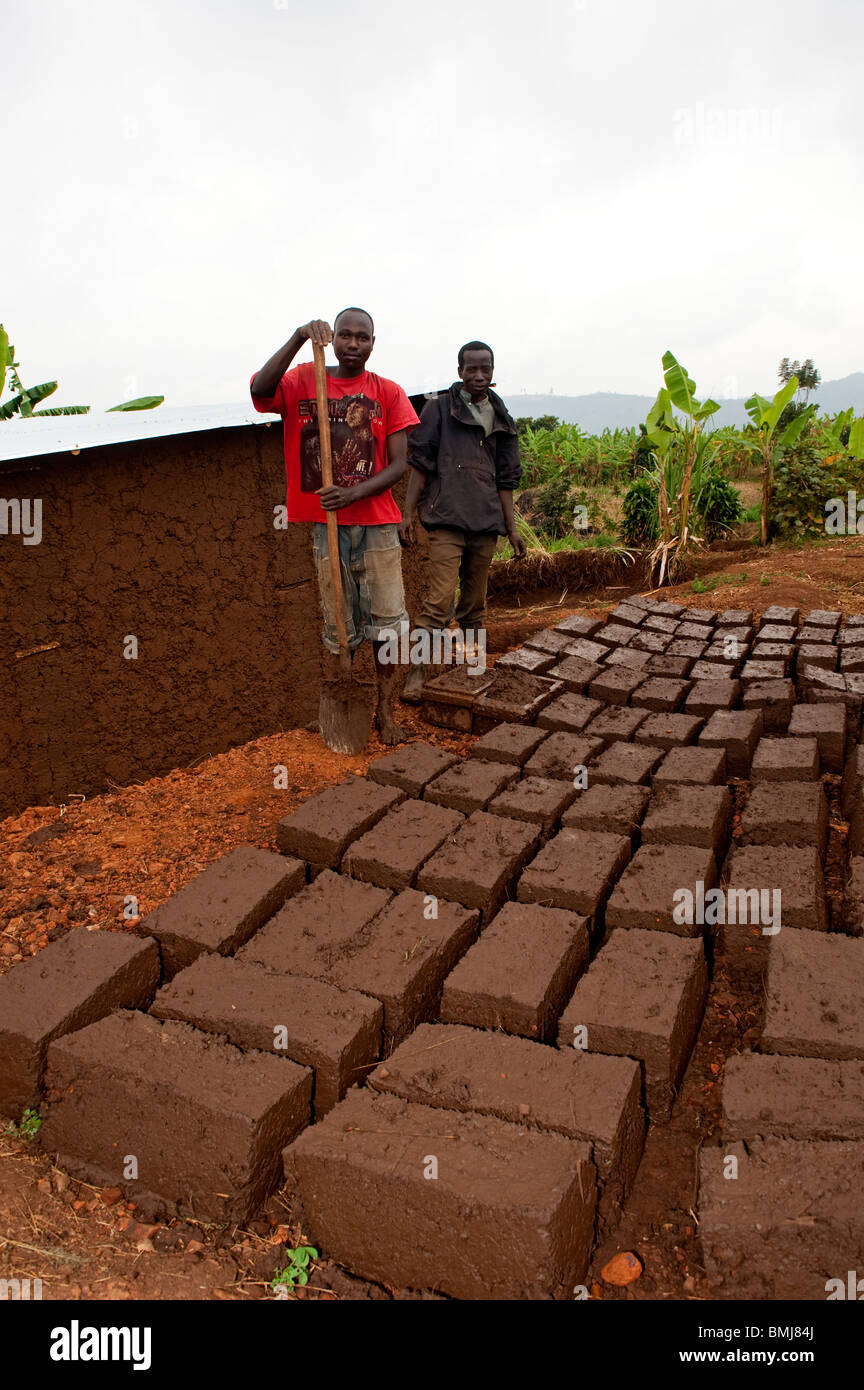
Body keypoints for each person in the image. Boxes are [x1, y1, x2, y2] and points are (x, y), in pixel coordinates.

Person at [250, 309, 419, 743]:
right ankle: (344, 688)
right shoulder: (305, 379)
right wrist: (297, 337)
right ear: (333, 339)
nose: (352, 344)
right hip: (328, 526)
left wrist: (353, 494)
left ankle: (384, 707)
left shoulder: (389, 393)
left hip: (377, 525)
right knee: (338, 619)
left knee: (386, 619)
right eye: (344, 335)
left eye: (362, 338)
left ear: (372, 344)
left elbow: (399, 464)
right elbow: (259, 389)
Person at [398, 340, 526, 700]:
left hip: (485, 525)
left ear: (493, 371)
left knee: (473, 605)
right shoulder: (439, 410)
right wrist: (408, 513)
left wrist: (511, 530)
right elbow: (420, 465)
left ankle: (472, 668)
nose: (479, 375)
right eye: (472, 369)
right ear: (460, 372)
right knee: (438, 602)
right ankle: (416, 674)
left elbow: (506, 480)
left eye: (486, 368)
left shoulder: (502, 418)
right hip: (447, 520)